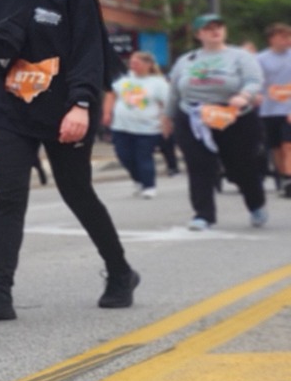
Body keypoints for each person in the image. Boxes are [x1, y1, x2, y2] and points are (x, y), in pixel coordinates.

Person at [0, 0, 137, 321]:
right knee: (8, 196)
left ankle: (120, 272)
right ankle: (0, 292)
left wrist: (80, 105)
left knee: (76, 192)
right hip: (11, 111)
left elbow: (87, 55)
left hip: (64, 111)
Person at [166, 13, 270, 230]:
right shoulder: (186, 60)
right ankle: (203, 215)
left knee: (240, 166)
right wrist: (167, 117)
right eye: (209, 28)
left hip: (234, 115)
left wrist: (243, 96)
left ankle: (256, 204)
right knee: (199, 165)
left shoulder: (240, 56)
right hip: (194, 116)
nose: (215, 31)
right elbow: (174, 91)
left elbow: (254, 80)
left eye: (219, 27)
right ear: (198, 34)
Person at [103, 51, 171, 199]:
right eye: (132, 62)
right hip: (121, 126)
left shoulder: (158, 83)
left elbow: (166, 104)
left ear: (148, 65)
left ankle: (149, 185)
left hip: (148, 128)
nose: (133, 65)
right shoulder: (124, 80)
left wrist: (166, 122)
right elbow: (111, 94)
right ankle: (138, 179)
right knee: (124, 156)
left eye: (137, 62)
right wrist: (107, 113)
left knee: (143, 157)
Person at [258, 22, 291, 197]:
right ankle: (283, 177)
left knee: (288, 145)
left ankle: (288, 177)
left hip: (289, 109)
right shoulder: (261, 59)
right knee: (276, 147)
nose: (287, 40)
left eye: (289, 37)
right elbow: (256, 82)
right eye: (283, 37)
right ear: (272, 39)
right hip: (269, 109)